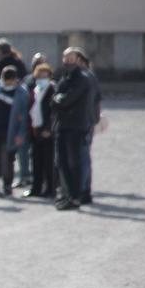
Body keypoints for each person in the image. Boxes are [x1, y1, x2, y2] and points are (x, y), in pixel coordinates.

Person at [54, 46, 98, 211]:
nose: (68, 62)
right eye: (66, 59)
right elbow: (56, 96)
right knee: (63, 162)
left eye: (72, 59)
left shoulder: (83, 78)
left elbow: (66, 99)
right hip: (63, 125)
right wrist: (58, 99)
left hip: (77, 126)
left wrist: (59, 99)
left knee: (76, 162)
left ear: (78, 60)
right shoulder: (64, 76)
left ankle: (77, 196)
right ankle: (68, 195)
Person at [0, 67, 26, 199]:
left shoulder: (21, 93)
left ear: (14, 80)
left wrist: (20, 134)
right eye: (4, 80)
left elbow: (24, 117)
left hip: (9, 132)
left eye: (8, 81)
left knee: (6, 160)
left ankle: (7, 186)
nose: (6, 84)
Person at [26, 62, 59, 200]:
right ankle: (36, 187)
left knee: (49, 161)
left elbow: (54, 112)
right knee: (36, 160)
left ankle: (50, 188)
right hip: (35, 128)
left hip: (47, 130)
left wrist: (49, 129)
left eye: (44, 75)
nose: (41, 78)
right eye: (39, 75)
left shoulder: (52, 90)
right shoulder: (35, 90)